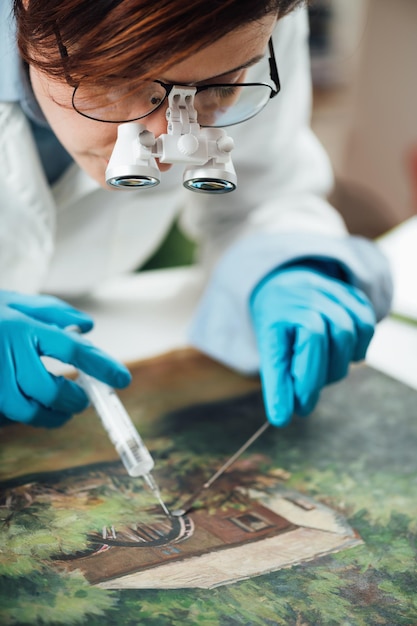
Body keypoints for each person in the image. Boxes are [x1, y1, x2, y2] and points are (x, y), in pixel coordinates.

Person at [0, 0, 392, 429]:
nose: (167, 150)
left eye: (220, 89)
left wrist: (289, 267)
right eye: (121, 81)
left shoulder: (251, 19)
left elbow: (262, 190)